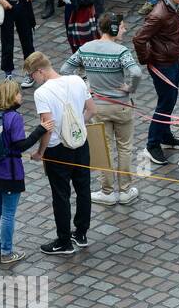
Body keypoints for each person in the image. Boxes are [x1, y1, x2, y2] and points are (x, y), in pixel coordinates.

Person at [60, 12, 141, 206]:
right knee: (124, 148)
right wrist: (130, 88)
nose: (125, 29)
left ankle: (107, 192)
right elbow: (136, 72)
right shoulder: (121, 51)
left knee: (103, 150)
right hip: (122, 106)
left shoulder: (86, 48)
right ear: (113, 29)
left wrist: (84, 83)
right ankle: (125, 190)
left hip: (98, 107)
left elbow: (64, 70)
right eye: (122, 26)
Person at [24, 50, 93, 256]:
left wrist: (40, 152)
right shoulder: (77, 80)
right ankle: (81, 233)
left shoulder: (42, 93)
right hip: (81, 144)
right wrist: (78, 126)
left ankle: (64, 241)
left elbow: (48, 126)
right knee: (83, 189)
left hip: (57, 150)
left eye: (32, 76)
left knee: (60, 195)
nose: (32, 80)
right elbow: (91, 110)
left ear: (40, 71)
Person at [0, 78, 46, 266]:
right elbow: (19, 145)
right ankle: (6, 252)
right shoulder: (14, 117)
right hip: (9, 173)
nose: (21, 95)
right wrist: (40, 130)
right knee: (7, 214)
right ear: (11, 96)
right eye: (18, 93)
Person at [133, 0, 179, 167]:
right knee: (164, 104)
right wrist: (148, 58)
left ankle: (165, 135)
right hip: (163, 65)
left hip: (171, 61)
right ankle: (152, 144)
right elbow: (139, 39)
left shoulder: (171, 7)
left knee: (170, 101)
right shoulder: (158, 14)